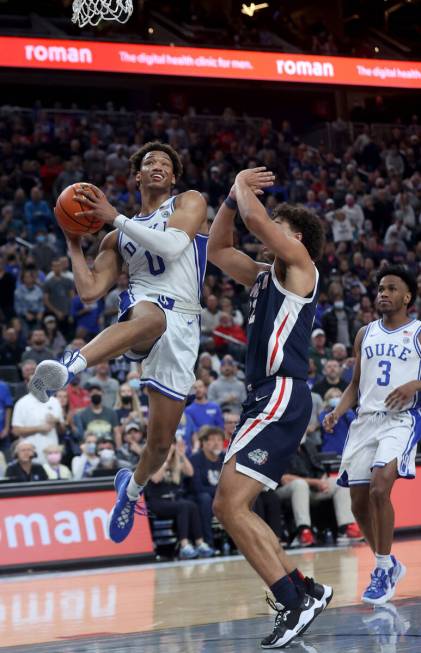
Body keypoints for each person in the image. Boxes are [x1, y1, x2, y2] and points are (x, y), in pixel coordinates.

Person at [28, 142, 208, 543]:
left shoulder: (189, 202)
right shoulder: (114, 239)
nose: (157, 166)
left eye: (164, 163)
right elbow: (90, 290)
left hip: (187, 322)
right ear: (138, 176)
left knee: (160, 443)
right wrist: (74, 244)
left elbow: (175, 245)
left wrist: (115, 217)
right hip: (146, 309)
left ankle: (132, 490)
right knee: (151, 315)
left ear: (173, 177)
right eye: (149, 163)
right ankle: (68, 367)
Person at [208, 168, 331, 649]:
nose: (269, 229)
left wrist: (242, 186)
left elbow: (258, 223)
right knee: (234, 505)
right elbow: (218, 250)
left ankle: (291, 599)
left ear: (294, 236)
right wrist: (228, 200)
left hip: (281, 391)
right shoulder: (263, 278)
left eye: (280, 224)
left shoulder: (300, 263)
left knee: (228, 504)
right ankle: (302, 589)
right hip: (266, 395)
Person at [323, 265, 421, 605]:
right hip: (364, 421)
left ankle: (380, 568)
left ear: (407, 297)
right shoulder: (365, 333)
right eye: (380, 288)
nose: (383, 293)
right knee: (358, 503)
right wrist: (337, 411)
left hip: (400, 420)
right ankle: (389, 562)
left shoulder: (418, 331)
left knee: (381, 487)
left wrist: (415, 384)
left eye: (391, 288)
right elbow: (354, 385)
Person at [276, 436, 361, 547]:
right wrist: (315, 482)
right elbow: (284, 479)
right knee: (300, 485)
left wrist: (323, 482)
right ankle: (304, 531)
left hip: (311, 489)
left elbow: (320, 469)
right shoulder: (280, 448)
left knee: (339, 482)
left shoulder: (309, 446)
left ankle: (345, 529)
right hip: (284, 491)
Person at [145, 441, 214, 559]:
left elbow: (190, 472)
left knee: (191, 505)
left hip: (173, 501)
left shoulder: (176, 462)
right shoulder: (152, 462)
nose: (170, 448)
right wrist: (165, 459)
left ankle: (199, 543)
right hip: (157, 502)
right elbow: (156, 478)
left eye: (172, 445)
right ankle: (184, 545)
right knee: (184, 506)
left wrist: (182, 455)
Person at [189, 426, 225, 547]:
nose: (217, 443)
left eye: (219, 440)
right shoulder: (195, 459)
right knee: (205, 499)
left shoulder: (225, 458)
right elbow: (197, 487)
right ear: (203, 442)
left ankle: (239, 542)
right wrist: (221, 492)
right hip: (198, 496)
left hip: (218, 495)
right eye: (212, 439)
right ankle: (208, 541)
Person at [11, 386, 63, 464]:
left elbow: (62, 430)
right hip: (30, 454)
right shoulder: (22, 403)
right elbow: (15, 431)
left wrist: (57, 421)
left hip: (51, 453)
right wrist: (39, 428)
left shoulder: (54, 401)